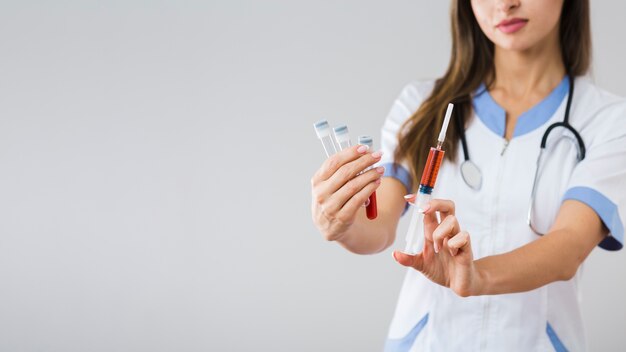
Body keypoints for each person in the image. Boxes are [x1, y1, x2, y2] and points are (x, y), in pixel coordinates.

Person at [310, 0, 626, 350]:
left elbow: (569, 245)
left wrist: (477, 276)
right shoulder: (421, 106)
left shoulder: (607, 121)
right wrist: (342, 221)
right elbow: (378, 225)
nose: (506, 4)